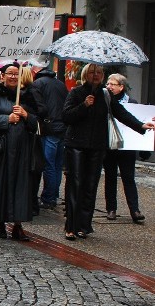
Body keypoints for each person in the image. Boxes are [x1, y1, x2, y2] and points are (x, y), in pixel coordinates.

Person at [63, 65, 153, 239]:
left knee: (90, 186)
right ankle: (71, 226)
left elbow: (121, 113)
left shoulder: (106, 94)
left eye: (99, 73)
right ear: (85, 75)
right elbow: (66, 116)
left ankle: (84, 226)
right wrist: (84, 105)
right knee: (76, 185)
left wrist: (141, 126)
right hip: (76, 145)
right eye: (92, 72)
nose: (96, 75)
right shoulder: (76, 93)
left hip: (97, 146)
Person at [0, 64, 39, 240]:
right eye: (10, 73)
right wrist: (7, 119)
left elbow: (37, 123)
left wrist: (26, 115)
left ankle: (17, 225)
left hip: (21, 149)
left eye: (16, 74)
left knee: (20, 186)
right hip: (1, 149)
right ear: (2, 76)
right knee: (1, 185)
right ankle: (0, 223)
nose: (13, 77)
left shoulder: (28, 96)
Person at [103, 74, 146, 223]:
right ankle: (111, 209)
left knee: (128, 178)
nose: (109, 86)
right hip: (110, 144)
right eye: (107, 83)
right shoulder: (105, 101)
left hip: (127, 147)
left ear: (121, 87)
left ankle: (134, 210)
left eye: (112, 84)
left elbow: (135, 121)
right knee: (110, 177)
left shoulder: (131, 103)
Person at [30, 63, 69, 212]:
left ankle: (48, 198)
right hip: (61, 128)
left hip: (49, 128)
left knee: (48, 165)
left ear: (35, 70)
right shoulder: (60, 83)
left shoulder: (37, 84)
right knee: (57, 165)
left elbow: (41, 108)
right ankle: (53, 195)